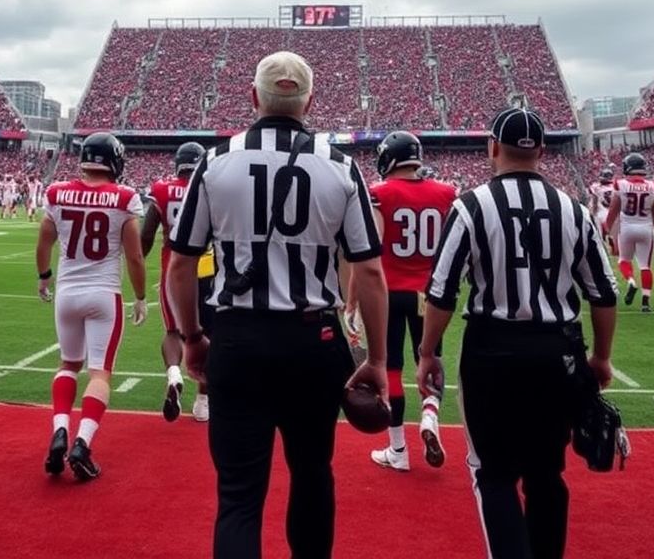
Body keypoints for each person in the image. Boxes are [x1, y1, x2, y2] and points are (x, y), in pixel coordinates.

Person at [166, 50, 388, 559]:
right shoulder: (340, 165)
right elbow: (370, 270)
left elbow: (181, 263)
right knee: (312, 475)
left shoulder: (215, 160)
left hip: (238, 337)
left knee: (240, 496)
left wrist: (194, 337)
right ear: (309, 100)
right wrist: (376, 359)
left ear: (253, 97)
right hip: (314, 339)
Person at [416, 107, 617, 559]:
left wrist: (429, 351)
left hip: (492, 350)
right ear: (542, 152)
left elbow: (442, 291)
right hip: (558, 350)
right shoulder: (574, 210)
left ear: (492, 147)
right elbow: (603, 293)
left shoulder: (471, 206)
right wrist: (601, 357)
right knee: (547, 474)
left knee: (494, 474)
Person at [36, 133, 148, 481]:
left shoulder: (56, 192)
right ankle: (82, 442)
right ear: (114, 160)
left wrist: (44, 277)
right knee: (100, 372)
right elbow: (134, 255)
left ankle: (59, 430)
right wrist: (141, 296)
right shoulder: (124, 197)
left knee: (68, 363)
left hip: (67, 292)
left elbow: (43, 242)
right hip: (103, 294)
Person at [356, 130, 456, 472]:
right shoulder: (446, 193)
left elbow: (368, 252)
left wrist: (353, 301)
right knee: (431, 360)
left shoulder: (379, 193)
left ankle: (398, 449)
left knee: (392, 368)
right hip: (429, 296)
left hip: (390, 292)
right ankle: (429, 414)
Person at [142, 141, 211, 421]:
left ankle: (173, 374)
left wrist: (139, 258)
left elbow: (146, 233)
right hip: (206, 266)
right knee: (207, 333)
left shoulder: (161, 189)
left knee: (173, 332)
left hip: (172, 266)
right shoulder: (210, 185)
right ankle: (203, 401)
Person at [606, 152, 654, 313]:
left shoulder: (620, 184)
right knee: (646, 266)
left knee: (624, 260)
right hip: (646, 228)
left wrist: (607, 230)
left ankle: (631, 281)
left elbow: (613, 210)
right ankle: (645, 302)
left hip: (626, 228)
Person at [587, 165, 616, 253]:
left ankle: (603, 247)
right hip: (612, 212)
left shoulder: (596, 187)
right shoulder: (615, 186)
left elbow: (595, 202)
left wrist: (593, 212)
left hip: (601, 212)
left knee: (599, 232)